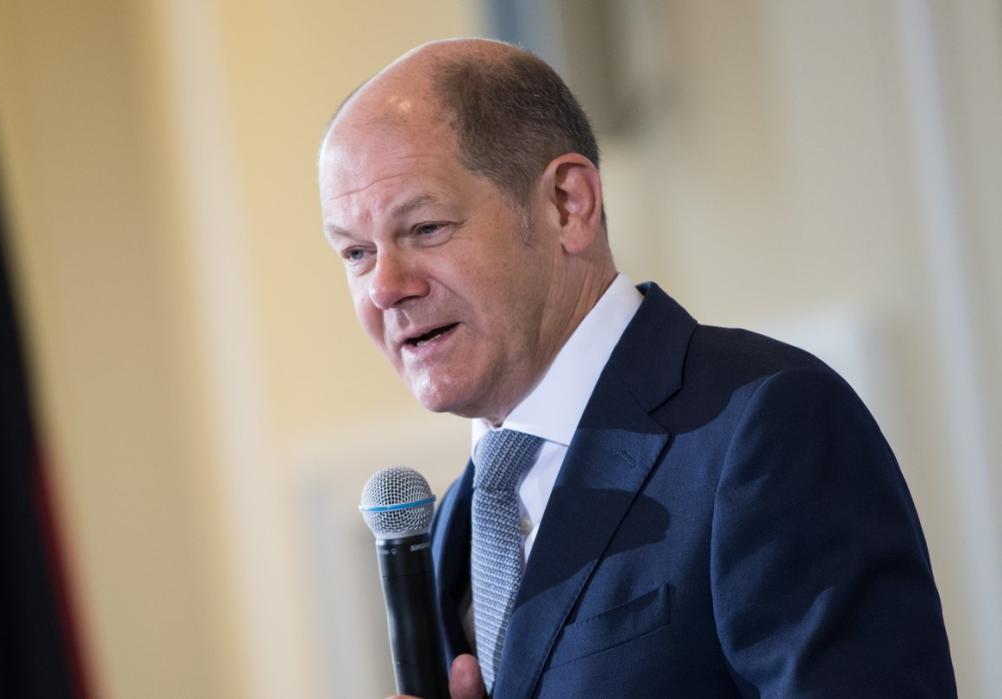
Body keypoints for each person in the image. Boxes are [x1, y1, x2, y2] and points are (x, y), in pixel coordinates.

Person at [319, 38, 955, 698]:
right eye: (357, 252)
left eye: (425, 228)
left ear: (568, 204)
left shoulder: (768, 426)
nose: (385, 286)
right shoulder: (456, 518)